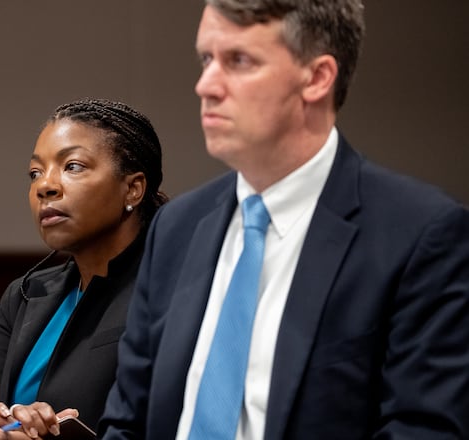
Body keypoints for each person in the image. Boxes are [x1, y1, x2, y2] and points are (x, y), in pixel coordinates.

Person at [100, 1, 469, 439]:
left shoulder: (421, 234)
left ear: (316, 78)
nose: (206, 85)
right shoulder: (176, 226)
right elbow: (126, 422)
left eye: (238, 61)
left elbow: (422, 430)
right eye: (206, 59)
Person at [0, 98, 167, 440]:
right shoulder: (25, 294)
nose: (44, 186)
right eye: (35, 173)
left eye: (73, 166)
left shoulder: (167, 291)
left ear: (133, 188)